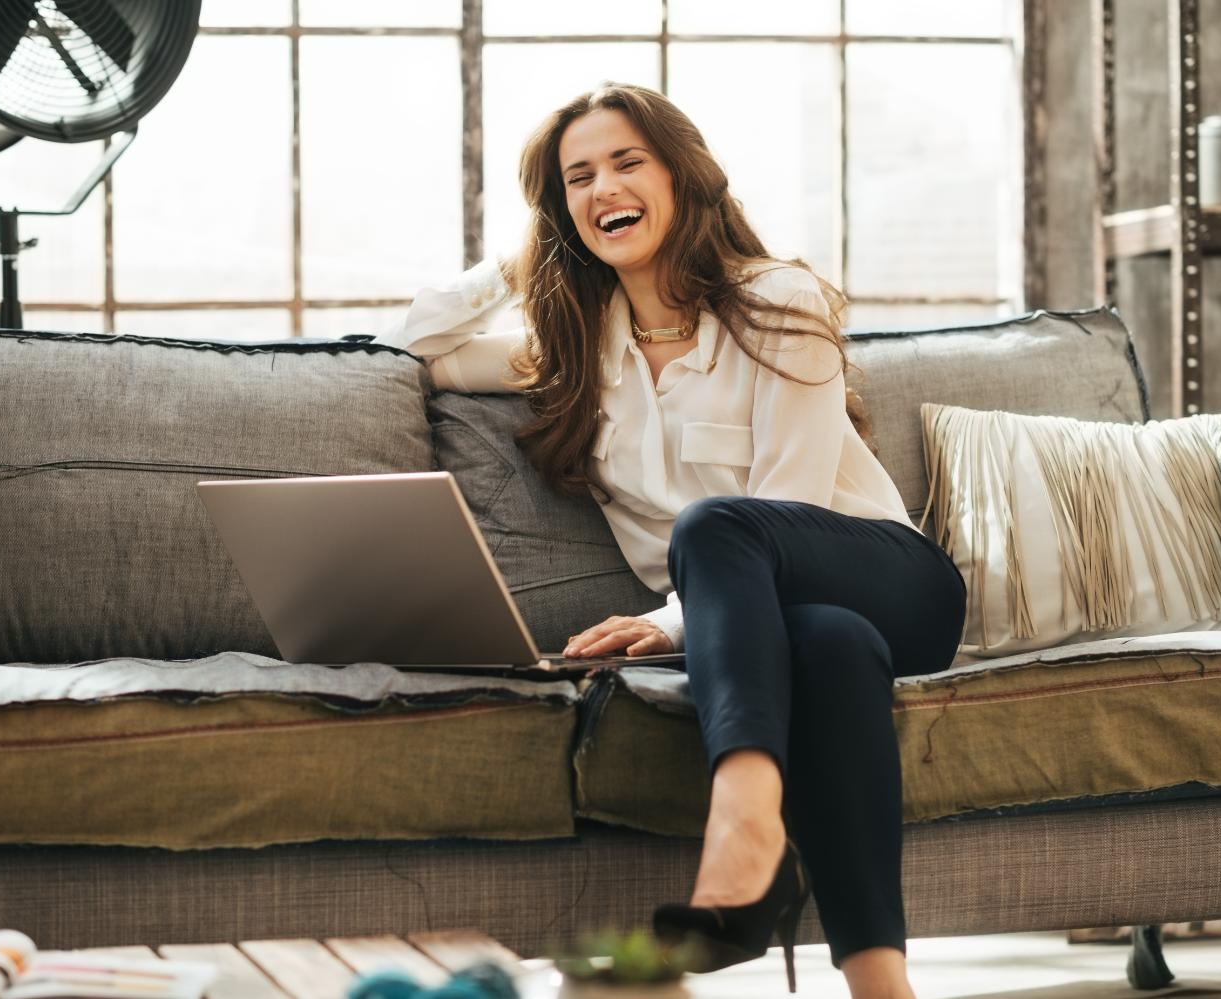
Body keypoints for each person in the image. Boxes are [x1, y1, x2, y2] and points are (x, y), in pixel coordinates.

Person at [385, 82, 967, 999]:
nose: (603, 188)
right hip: (791, 625)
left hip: (892, 581)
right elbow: (409, 345)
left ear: (682, 174)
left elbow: (788, 506)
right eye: (577, 178)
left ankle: (742, 825)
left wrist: (672, 624)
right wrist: (525, 249)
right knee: (828, 646)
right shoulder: (572, 347)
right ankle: (881, 983)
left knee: (726, 530)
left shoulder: (778, 301)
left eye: (626, 163)